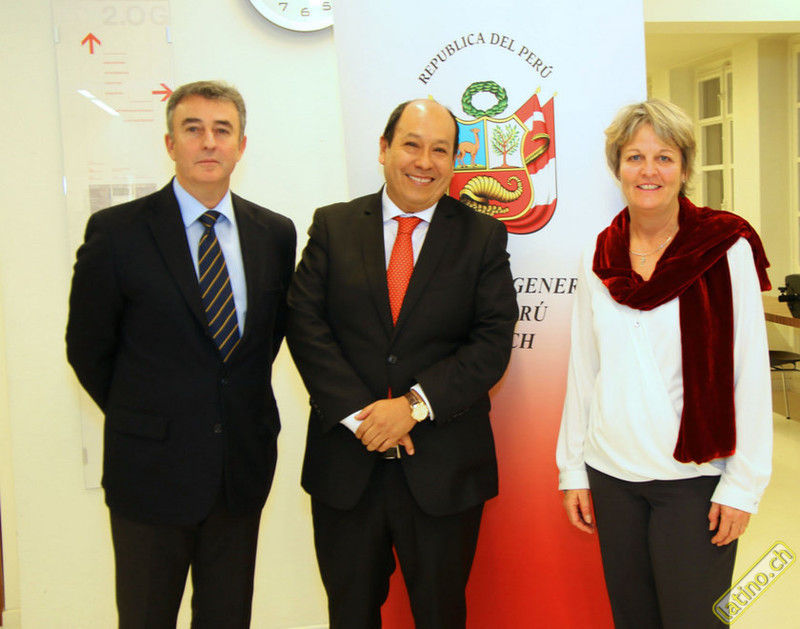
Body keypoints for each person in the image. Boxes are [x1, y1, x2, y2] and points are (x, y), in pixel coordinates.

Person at [66, 80, 296, 628]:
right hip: (150, 471)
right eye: (193, 129)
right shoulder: (117, 233)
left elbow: (263, 342)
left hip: (239, 469)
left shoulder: (275, 233)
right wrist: (144, 415)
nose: (209, 142)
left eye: (223, 130)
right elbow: (88, 348)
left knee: (228, 618)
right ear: (170, 144)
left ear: (241, 145)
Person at [286, 98, 518, 629]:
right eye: (412, 145)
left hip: (443, 470)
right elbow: (305, 324)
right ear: (384, 149)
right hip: (346, 467)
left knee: (440, 615)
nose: (425, 162)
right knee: (349, 614)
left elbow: (491, 343)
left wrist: (411, 407)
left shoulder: (482, 236)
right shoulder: (334, 225)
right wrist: (364, 418)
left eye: (441, 150)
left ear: (455, 160)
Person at [556, 99, 772, 628]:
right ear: (617, 167)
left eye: (664, 157)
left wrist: (743, 485)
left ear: (685, 168)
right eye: (634, 157)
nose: (648, 170)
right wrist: (572, 467)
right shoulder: (597, 256)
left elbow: (749, 371)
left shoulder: (725, 249)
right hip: (612, 475)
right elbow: (584, 369)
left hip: (694, 481)